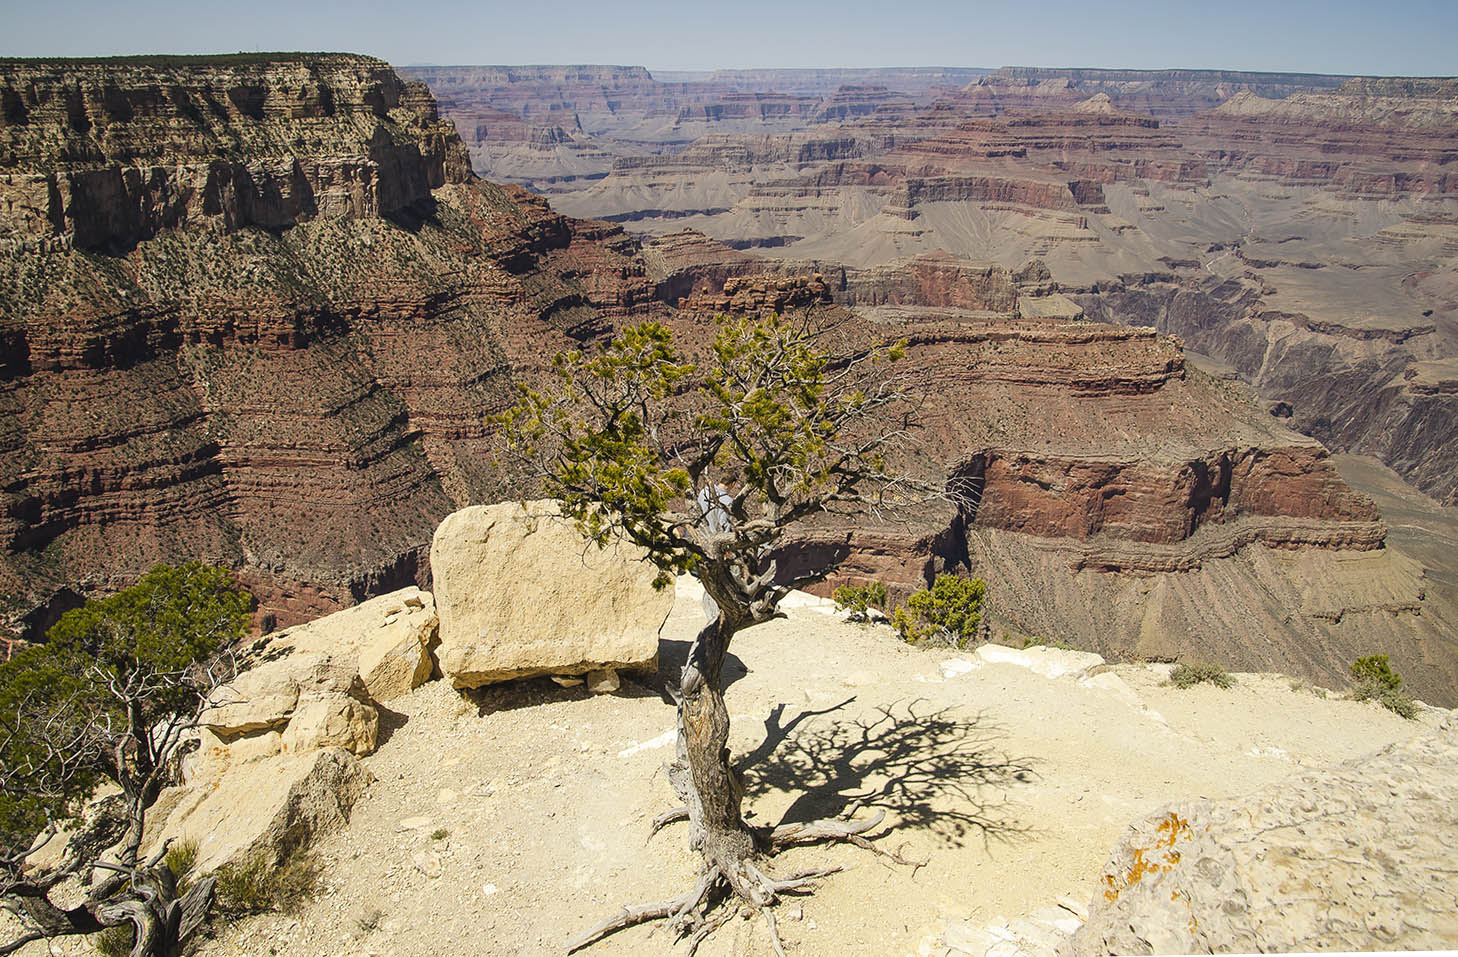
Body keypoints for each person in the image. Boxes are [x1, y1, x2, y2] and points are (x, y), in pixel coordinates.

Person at [696, 482, 733, 620]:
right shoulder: (727, 501)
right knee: (719, 577)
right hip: (718, 541)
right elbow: (725, 523)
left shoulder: (703, 492)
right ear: (732, 483)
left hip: (703, 537)